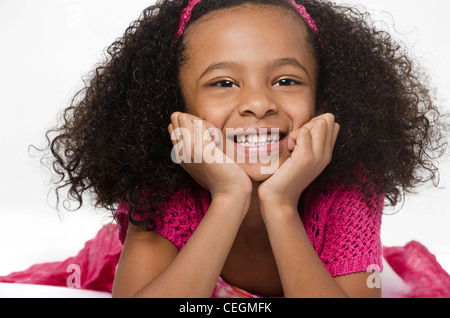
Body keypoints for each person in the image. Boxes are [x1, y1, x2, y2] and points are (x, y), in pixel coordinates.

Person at [38, 0, 447, 297]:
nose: (258, 103)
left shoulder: (349, 188)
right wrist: (228, 197)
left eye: (286, 81)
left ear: (325, 102)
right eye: (223, 82)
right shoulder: (161, 189)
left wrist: (281, 204)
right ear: (177, 108)